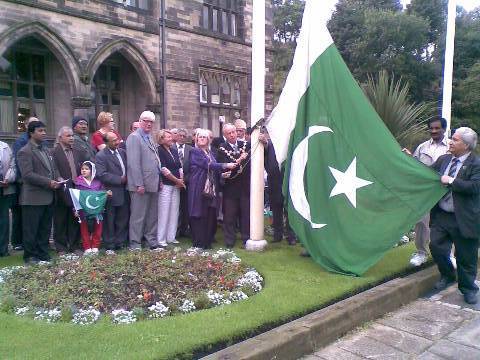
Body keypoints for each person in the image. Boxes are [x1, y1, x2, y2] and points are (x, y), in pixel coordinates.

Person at [430, 127, 480, 305]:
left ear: (466, 145)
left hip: (464, 218)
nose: (450, 141)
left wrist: (450, 181)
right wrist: (409, 159)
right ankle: (448, 275)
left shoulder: (476, 163)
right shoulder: (444, 159)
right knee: (436, 246)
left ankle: (468, 288)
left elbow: (475, 187)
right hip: (442, 214)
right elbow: (427, 173)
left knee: (466, 256)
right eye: (451, 138)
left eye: (455, 139)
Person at [17, 121, 62, 264]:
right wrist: (48, 182)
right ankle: (30, 256)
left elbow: (53, 169)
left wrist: (58, 178)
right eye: (40, 131)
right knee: (31, 229)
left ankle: (43, 254)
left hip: (48, 196)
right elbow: (27, 175)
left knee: (44, 228)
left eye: (44, 130)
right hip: (33, 198)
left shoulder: (46, 150)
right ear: (31, 133)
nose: (44, 133)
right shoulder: (25, 151)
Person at [409, 117, 450, 266]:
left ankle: (448, 254)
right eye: (431, 128)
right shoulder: (422, 147)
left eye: (437, 128)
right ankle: (421, 253)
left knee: (447, 223)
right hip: (425, 193)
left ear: (444, 129)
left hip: (445, 193)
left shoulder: (451, 147)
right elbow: (414, 167)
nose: (433, 131)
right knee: (421, 222)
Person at [188, 129, 237, 249]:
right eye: (200, 137)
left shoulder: (209, 153)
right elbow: (208, 165)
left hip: (211, 188)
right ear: (196, 139)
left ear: (209, 140)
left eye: (204, 137)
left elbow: (212, 170)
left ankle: (207, 242)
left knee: (209, 214)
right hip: (199, 187)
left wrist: (221, 174)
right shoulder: (195, 151)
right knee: (199, 213)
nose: (202, 139)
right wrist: (226, 165)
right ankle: (199, 242)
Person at [126, 111, 161, 250]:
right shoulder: (134, 137)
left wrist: (160, 180)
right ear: (140, 121)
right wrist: (139, 183)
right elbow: (134, 163)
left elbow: (155, 160)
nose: (149, 124)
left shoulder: (150, 137)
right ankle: (135, 243)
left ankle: (151, 241)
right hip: (140, 184)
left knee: (152, 215)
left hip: (153, 182)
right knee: (138, 216)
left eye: (151, 122)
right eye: (146, 121)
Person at [52, 126, 88, 255]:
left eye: (72, 135)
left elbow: (84, 167)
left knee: (75, 217)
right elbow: (54, 169)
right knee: (60, 218)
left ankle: (74, 245)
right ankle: (61, 247)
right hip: (62, 188)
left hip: (76, 188)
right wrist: (59, 179)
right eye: (68, 136)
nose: (72, 138)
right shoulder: (54, 152)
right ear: (60, 137)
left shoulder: (78, 151)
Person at [216, 123, 250, 248]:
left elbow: (257, 144)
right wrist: (240, 159)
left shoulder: (245, 145)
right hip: (230, 187)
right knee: (229, 215)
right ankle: (230, 240)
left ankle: (246, 237)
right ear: (225, 135)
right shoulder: (222, 148)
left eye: (233, 132)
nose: (232, 135)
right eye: (229, 133)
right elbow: (226, 165)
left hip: (245, 186)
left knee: (245, 213)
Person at [95, 132, 129, 253]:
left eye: (117, 139)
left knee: (123, 217)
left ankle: (120, 242)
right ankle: (109, 244)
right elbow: (101, 174)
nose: (117, 142)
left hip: (125, 191)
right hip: (111, 192)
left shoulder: (122, 152)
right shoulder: (101, 156)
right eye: (113, 140)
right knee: (110, 219)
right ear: (106, 142)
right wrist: (120, 179)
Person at [262, 131, 296, 245]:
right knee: (276, 210)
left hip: (288, 182)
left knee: (288, 210)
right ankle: (278, 235)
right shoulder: (270, 145)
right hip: (274, 182)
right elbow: (265, 157)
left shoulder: (290, 145)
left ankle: (291, 236)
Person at [11, 116, 39, 252]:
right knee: (19, 213)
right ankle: (17, 241)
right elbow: (19, 162)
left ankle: (30, 241)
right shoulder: (21, 141)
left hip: (35, 182)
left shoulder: (40, 142)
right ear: (27, 126)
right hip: (23, 182)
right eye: (34, 123)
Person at [73, 161, 110, 255]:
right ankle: (87, 247)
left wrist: (107, 194)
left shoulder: (98, 182)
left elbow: (102, 193)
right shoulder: (78, 182)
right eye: (82, 169)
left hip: (97, 209)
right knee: (84, 228)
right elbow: (75, 197)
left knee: (98, 227)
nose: (84, 171)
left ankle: (95, 246)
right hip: (83, 210)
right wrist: (75, 209)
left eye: (86, 169)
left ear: (92, 170)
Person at [156, 130, 184, 247]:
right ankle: (161, 239)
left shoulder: (173, 150)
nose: (171, 138)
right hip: (166, 185)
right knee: (164, 211)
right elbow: (163, 169)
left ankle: (171, 237)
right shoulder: (159, 150)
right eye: (168, 137)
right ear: (161, 139)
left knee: (174, 211)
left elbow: (179, 166)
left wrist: (181, 180)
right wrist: (177, 180)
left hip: (176, 186)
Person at [0, 140, 16, 257]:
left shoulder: (5, 146)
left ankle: (3, 249)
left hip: (4, 188)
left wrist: (8, 179)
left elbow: (12, 165)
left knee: (4, 220)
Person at [175, 128, 192, 237]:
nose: (181, 138)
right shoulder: (171, 148)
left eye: (184, 136)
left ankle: (184, 229)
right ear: (176, 136)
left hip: (187, 183)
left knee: (185, 207)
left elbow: (192, 167)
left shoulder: (191, 149)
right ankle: (175, 230)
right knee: (175, 208)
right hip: (173, 182)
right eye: (180, 135)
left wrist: (185, 180)